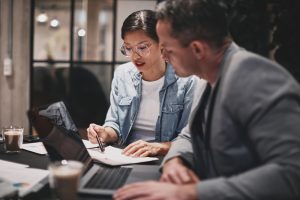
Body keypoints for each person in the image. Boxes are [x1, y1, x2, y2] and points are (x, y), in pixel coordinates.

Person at [114, 1, 300, 200]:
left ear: (197, 49)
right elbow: (190, 135)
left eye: (167, 49)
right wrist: (175, 160)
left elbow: (292, 173)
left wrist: (190, 193)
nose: (163, 56)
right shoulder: (207, 78)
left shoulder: (256, 78)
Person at [87, 9, 204, 157]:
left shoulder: (187, 80)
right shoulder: (122, 74)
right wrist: (105, 133)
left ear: (162, 44)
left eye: (142, 47)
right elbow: (114, 123)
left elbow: (190, 139)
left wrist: (158, 148)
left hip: (165, 159)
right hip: (124, 156)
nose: (135, 56)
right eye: (128, 48)